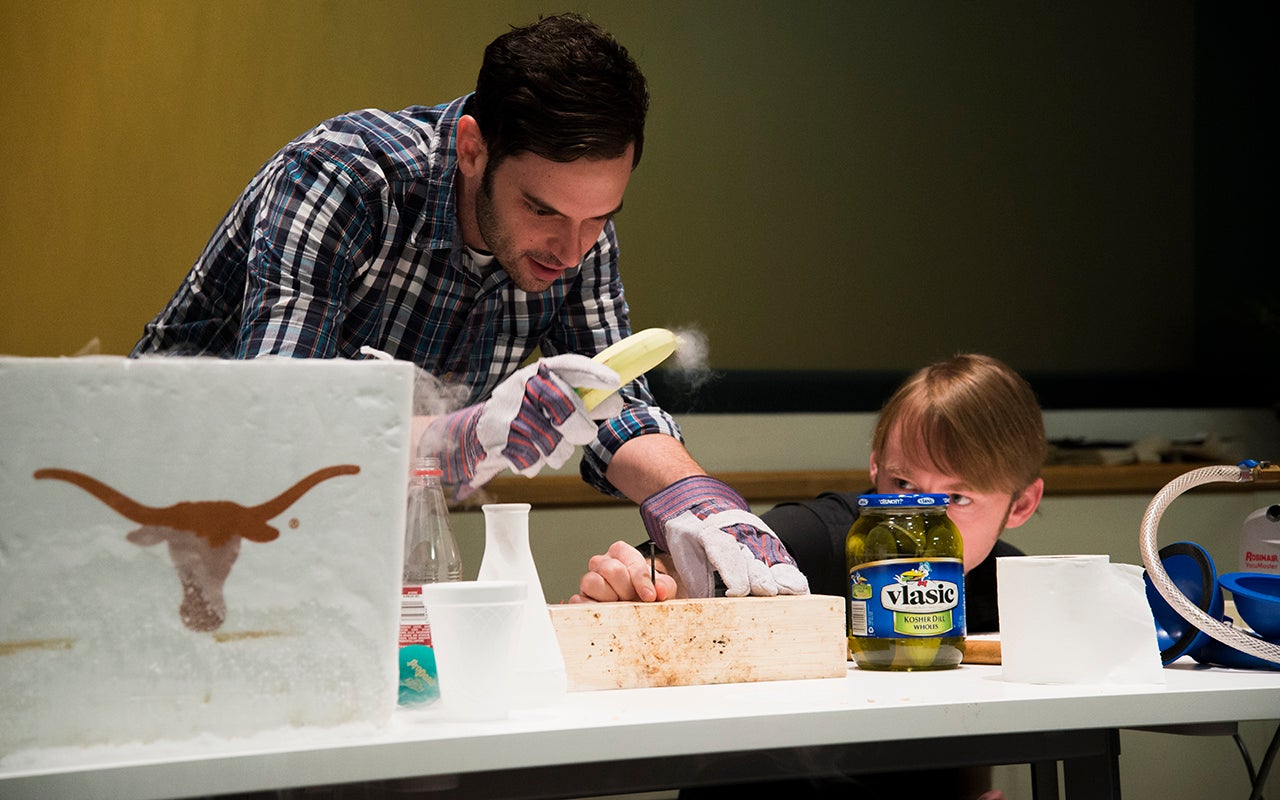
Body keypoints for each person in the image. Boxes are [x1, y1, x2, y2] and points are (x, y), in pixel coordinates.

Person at [130, 13, 806, 598]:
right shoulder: (345, 180)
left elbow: (611, 404)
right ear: (473, 149)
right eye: (541, 209)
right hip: (163, 504)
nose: (571, 250)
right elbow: (277, 425)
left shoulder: (575, 238)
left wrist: (698, 502)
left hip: (352, 539)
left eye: (599, 217)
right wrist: (457, 438)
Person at [571, 352, 1046, 800]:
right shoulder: (821, 536)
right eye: (903, 485)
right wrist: (639, 577)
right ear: (875, 465)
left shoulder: (1014, 587)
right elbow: (705, 557)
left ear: (1021, 503)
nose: (915, 518)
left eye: (957, 499)